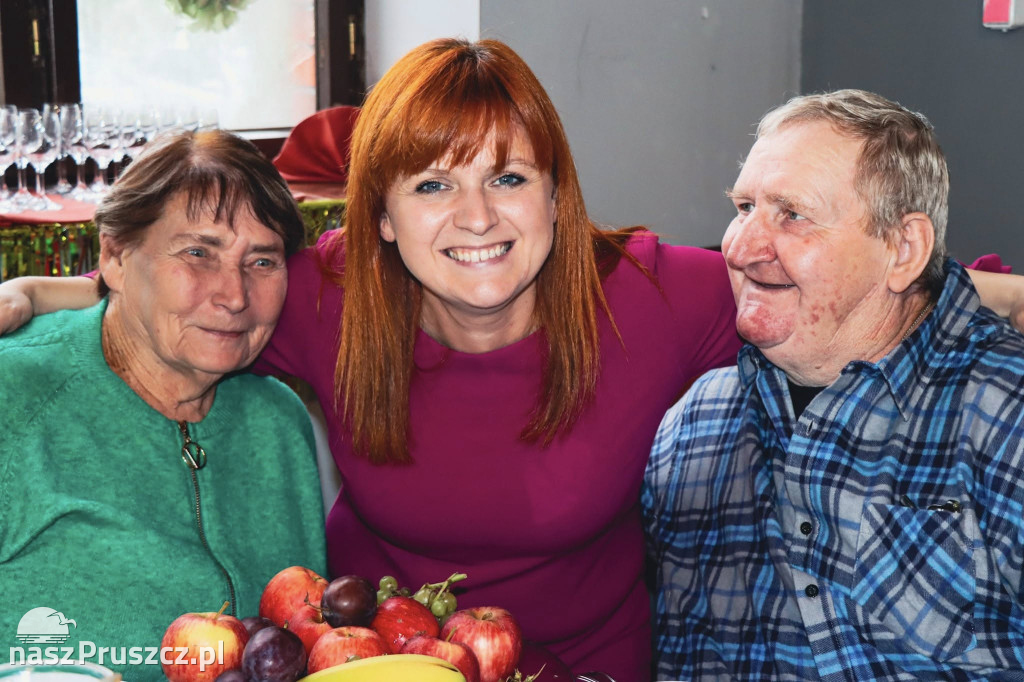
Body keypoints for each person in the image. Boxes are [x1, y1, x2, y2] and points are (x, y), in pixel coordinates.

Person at [1, 45, 1023, 681]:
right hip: (392, 662)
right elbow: (182, 298)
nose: (478, 218)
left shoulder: (648, 294)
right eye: (433, 186)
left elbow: (857, 287)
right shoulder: (326, 293)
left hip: (594, 667)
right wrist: (28, 296)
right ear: (383, 222)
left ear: (555, 197)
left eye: (509, 176)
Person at [643, 89, 1024, 680]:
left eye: (792, 214)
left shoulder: (1006, 413)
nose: (739, 249)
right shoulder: (695, 423)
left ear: (903, 249)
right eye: (744, 208)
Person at [0, 130, 327, 681]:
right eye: (198, 253)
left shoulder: (278, 420)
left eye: (263, 261)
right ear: (115, 258)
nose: (235, 295)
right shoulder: (14, 394)